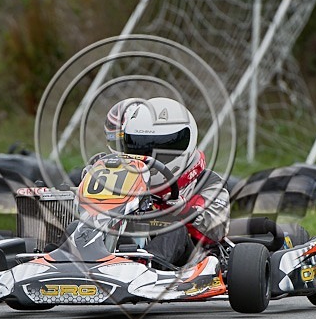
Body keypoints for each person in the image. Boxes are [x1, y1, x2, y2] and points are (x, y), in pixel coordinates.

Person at [97, 97, 230, 266]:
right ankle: (80, 262)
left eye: (157, 149)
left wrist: (183, 210)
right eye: (138, 147)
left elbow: (215, 231)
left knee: (173, 228)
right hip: (126, 249)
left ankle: (142, 268)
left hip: (187, 262)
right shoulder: (125, 179)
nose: (146, 156)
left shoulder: (208, 182)